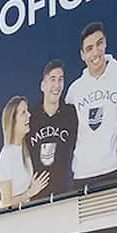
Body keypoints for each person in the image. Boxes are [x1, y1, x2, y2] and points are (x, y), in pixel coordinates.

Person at [64, 22, 117, 191]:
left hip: (113, 167)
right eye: (89, 48)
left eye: (99, 44)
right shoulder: (75, 89)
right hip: (82, 174)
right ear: (82, 55)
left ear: (105, 43)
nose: (95, 52)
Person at [25, 60, 77, 201]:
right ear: (43, 85)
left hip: (64, 194)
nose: (57, 85)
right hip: (37, 199)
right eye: (52, 79)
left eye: (60, 79)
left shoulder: (70, 113)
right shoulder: (31, 118)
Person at [0, 96, 50, 208]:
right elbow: (6, 202)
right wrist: (30, 192)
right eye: (23, 113)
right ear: (13, 120)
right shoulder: (7, 155)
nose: (29, 115)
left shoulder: (25, 151)